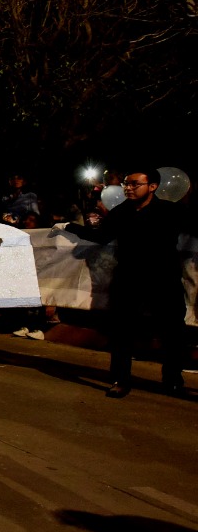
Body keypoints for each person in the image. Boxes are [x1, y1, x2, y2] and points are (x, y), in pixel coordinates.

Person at [64, 168, 189, 397]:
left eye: (135, 184)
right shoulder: (121, 212)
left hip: (164, 278)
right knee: (122, 330)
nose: (128, 188)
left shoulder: (170, 211)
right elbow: (101, 237)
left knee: (172, 331)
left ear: (152, 186)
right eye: (126, 184)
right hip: (128, 278)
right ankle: (120, 379)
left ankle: (173, 379)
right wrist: (69, 227)